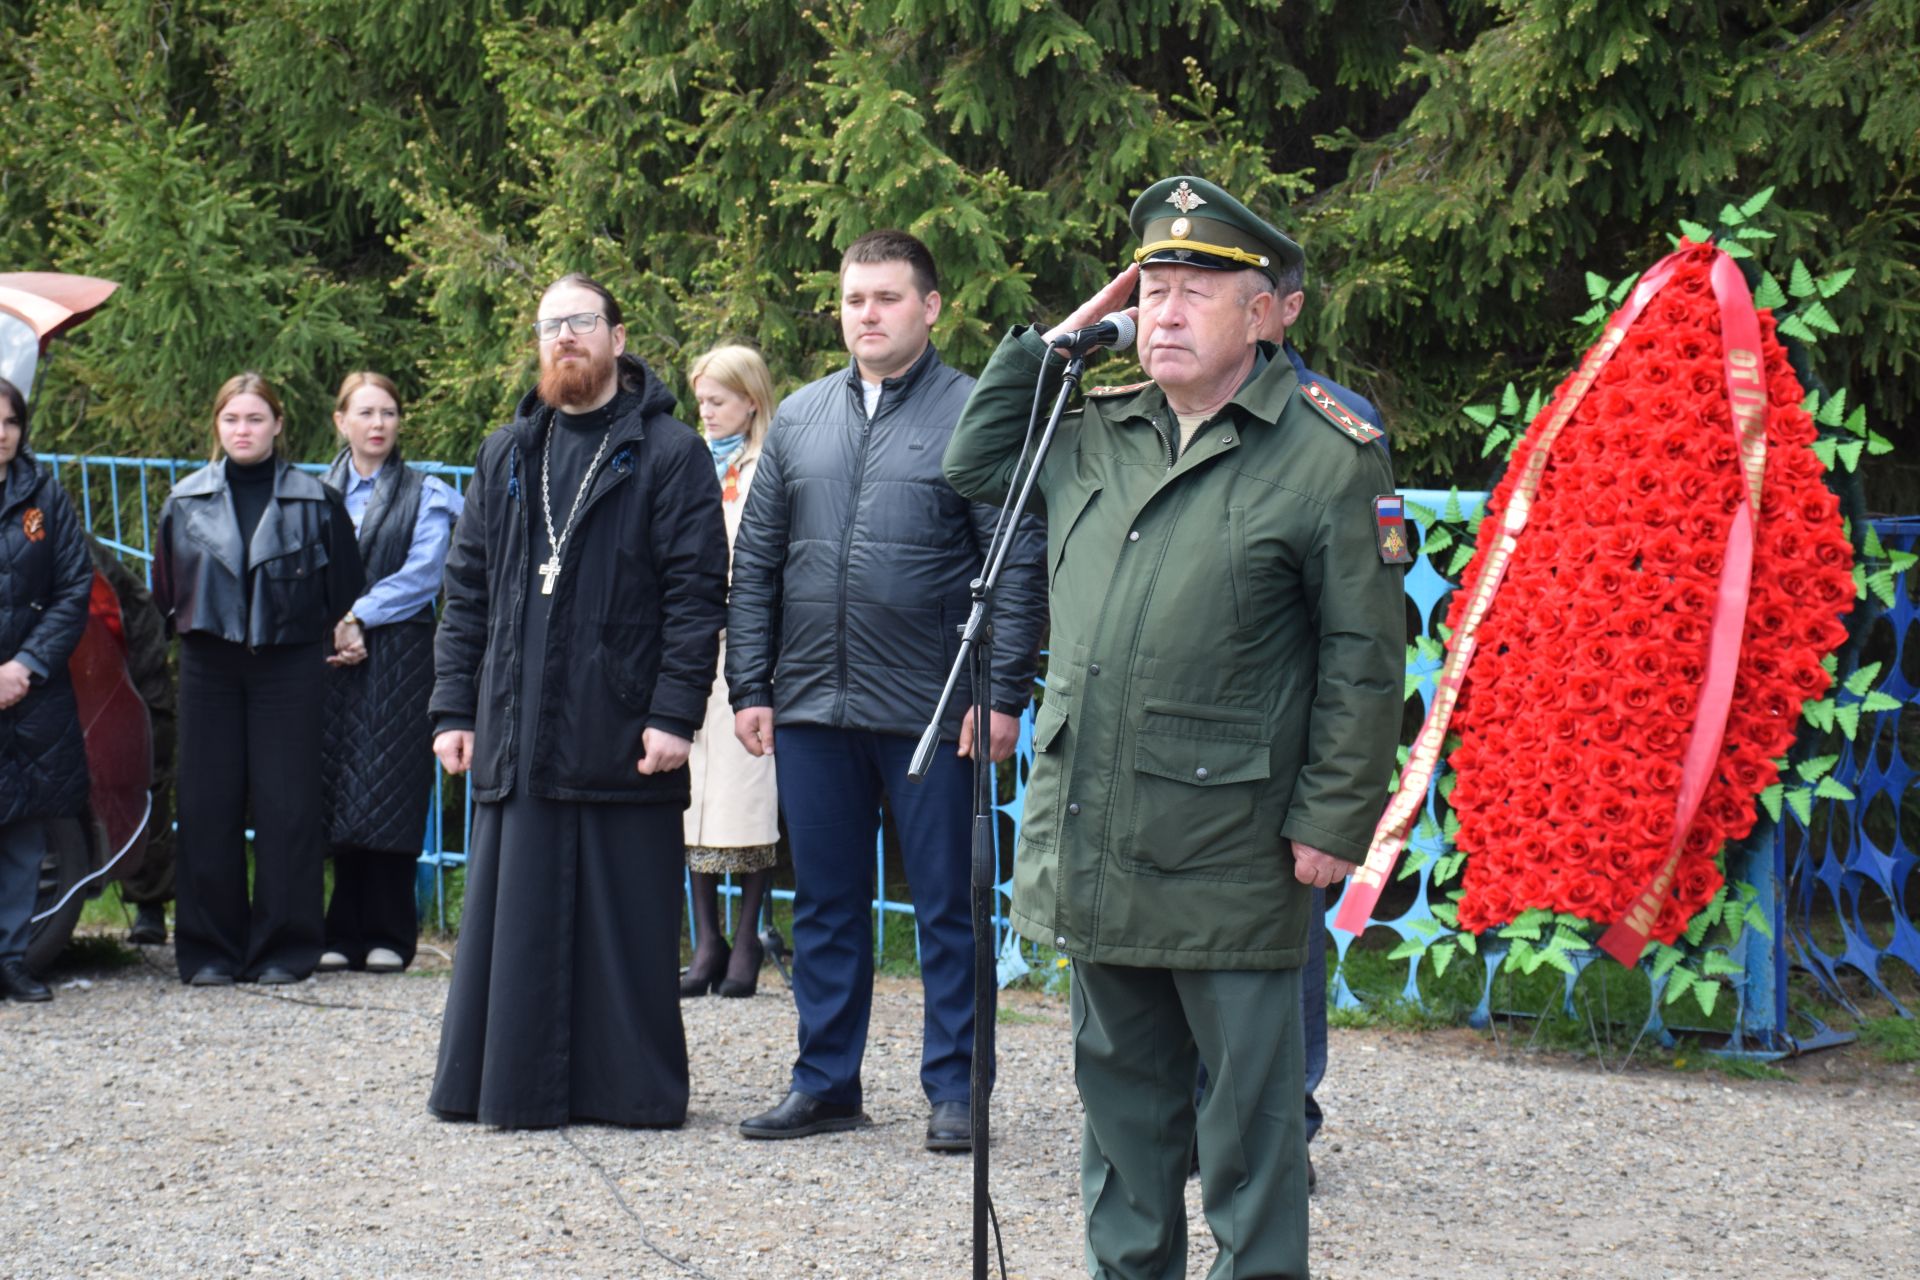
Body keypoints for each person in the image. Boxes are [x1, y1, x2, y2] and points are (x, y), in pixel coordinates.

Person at [944, 176, 1406, 1277]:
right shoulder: (1096, 428)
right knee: (1121, 1128)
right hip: (1103, 830)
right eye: (1151, 287)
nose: (1165, 310)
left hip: (1234, 846)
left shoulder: (1326, 452)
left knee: (1250, 1135)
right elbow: (972, 460)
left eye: (1199, 288)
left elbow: (1362, 655)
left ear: (1270, 310)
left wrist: (1334, 817)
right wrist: (1059, 341)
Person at [726, 229, 1047, 1152]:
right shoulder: (800, 417)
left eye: (887, 298)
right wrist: (752, 681)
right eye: (854, 299)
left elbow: (1015, 561)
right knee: (824, 905)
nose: (867, 314)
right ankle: (826, 1082)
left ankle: (956, 1091)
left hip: (934, 708)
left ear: (931, 307)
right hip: (815, 707)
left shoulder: (974, 414)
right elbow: (758, 564)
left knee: (948, 905)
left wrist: (1002, 693)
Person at [426, 273, 727, 1129]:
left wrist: (674, 713)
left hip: (624, 725)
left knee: (622, 928)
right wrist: (455, 709)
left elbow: (697, 592)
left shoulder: (669, 453)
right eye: (551, 325)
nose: (566, 338)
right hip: (519, 723)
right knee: (512, 926)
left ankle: (625, 1092)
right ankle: (508, 1088)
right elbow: (469, 589)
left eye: (582, 323)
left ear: (617, 338)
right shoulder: (508, 451)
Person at [151, 372, 365, 986]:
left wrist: (298, 628)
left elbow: (343, 584)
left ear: (277, 425)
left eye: (254, 419)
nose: (242, 430)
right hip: (208, 664)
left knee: (287, 806)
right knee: (205, 805)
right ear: (217, 428)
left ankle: (284, 947)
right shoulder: (185, 500)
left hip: (289, 664)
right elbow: (167, 588)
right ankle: (210, 949)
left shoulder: (315, 500)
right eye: (231, 420)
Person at [317, 372, 463, 974]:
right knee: (334, 790)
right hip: (327, 656)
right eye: (367, 412)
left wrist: (357, 616)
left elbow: (423, 575)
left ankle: (390, 933)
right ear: (341, 421)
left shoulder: (426, 494)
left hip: (399, 656)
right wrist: (333, 624)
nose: (379, 424)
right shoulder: (312, 491)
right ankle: (338, 928)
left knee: (391, 789)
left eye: (390, 413)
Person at [679, 345, 781, 999]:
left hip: (748, 653)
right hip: (692, 649)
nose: (706, 413)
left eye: (717, 400)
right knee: (690, 799)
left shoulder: (772, 465)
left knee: (750, 798)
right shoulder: (686, 464)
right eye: (700, 401)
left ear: (751, 400)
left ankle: (748, 941)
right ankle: (705, 941)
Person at [0, 376, 91, 1003]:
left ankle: (9, 959)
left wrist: (24, 664)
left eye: (8, 422)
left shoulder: (46, 498)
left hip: (28, 691)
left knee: (24, 832)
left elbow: (72, 589)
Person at [86, 537, 178, 947]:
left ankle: (150, 906)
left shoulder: (51, 524)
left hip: (133, 661)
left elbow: (123, 602)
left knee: (145, 780)